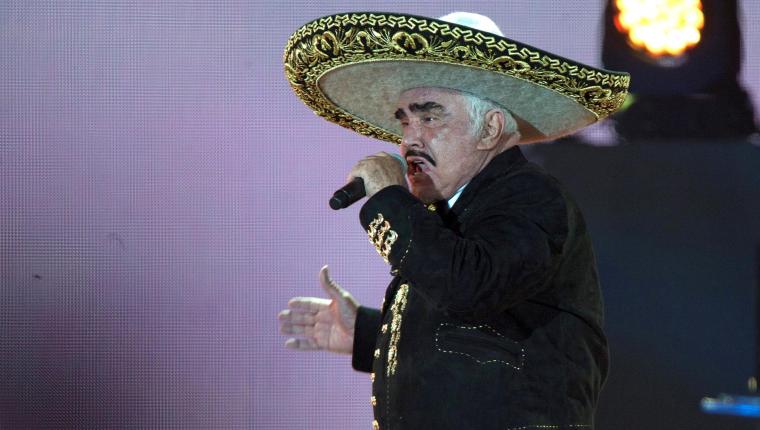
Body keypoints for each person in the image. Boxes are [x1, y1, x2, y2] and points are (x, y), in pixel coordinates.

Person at [280, 11, 630, 430]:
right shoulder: (448, 219)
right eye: (405, 121)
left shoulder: (532, 196)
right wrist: (371, 333)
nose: (409, 139)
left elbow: (470, 287)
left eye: (429, 118)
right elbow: (476, 338)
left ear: (490, 130)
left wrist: (389, 198)